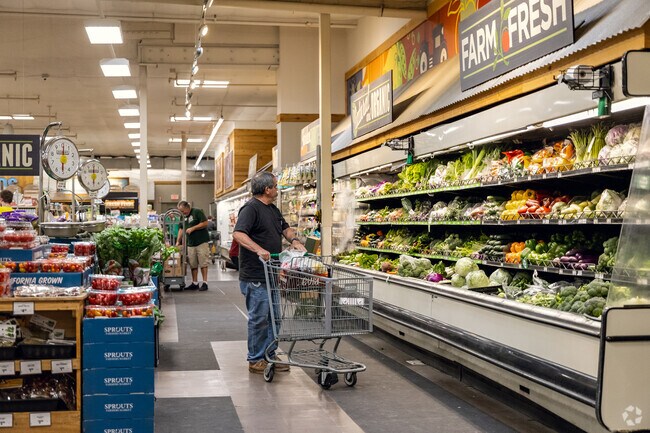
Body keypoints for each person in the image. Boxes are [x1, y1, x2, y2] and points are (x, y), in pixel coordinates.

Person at [233, 172, 306, 374]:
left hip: (271, 273)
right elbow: (238, 233)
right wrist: (258, 250)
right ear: (267, 189)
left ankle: (269, 355)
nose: (277, 188)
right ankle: (256, 359)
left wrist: (295, 240)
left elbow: (286, 228)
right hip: (255, 275)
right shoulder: (250, 209)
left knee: (275, 317)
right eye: (275, 185)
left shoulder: (272, 209)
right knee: (259, 318)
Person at [176, 200, 210, 291]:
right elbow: (181, 229)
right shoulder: (182, 216)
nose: (182, 213)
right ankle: (194, 282)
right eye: (181, 212)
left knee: (203, 262)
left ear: (188, 208)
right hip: (190, 243)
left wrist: (193, 228)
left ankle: (205, 282)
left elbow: (205, 223)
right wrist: (177, 242)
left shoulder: (197, 212)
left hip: (201, 242)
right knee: (193, 263)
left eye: (183, 211)